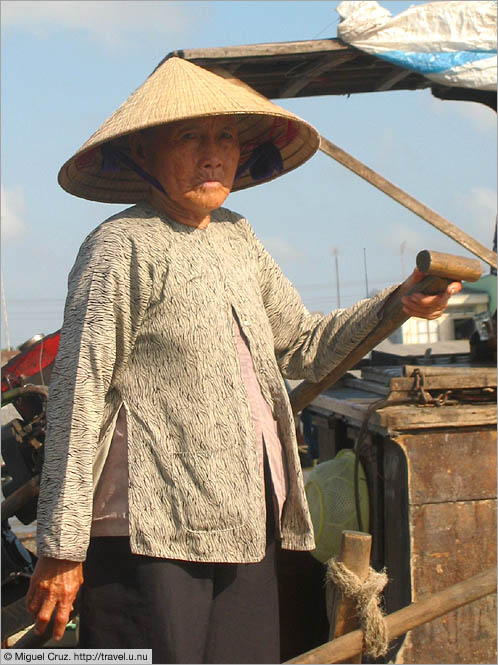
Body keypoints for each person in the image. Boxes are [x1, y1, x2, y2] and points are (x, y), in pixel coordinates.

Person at [26, 57, 460, 664]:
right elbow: (80, 392)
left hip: (246, 515)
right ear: (143, 155)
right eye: (189, 137)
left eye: (225, 137)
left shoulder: (237, 236)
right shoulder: (118, 247)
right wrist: (61, 545)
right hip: (152, 528)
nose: (213, 155)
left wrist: (396, 303)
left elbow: (303, 345)